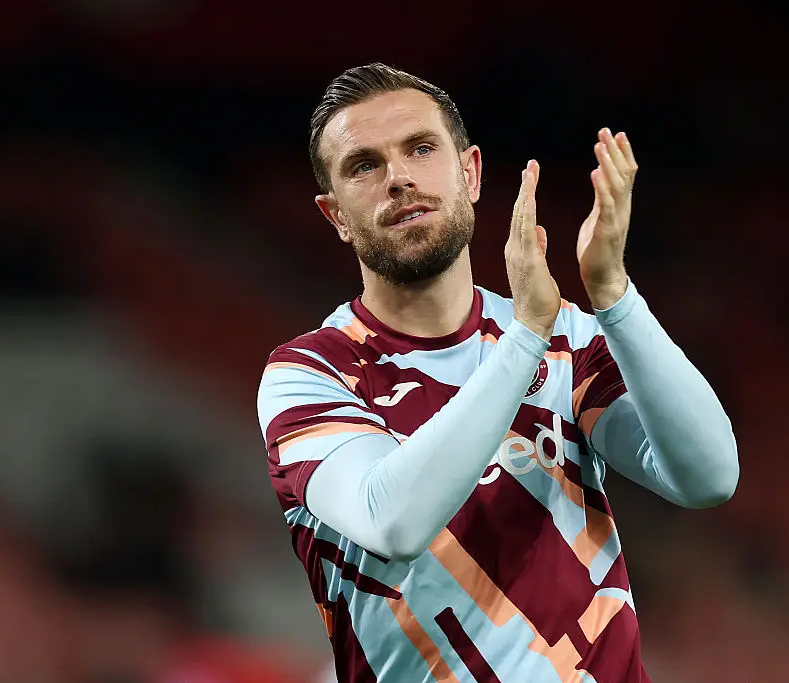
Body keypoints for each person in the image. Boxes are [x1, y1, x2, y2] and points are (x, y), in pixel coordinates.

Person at [256, 62, 739, 683]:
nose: (399, 178)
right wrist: (524, 339)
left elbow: (709, 477)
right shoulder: (310, 372)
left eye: (421, 148)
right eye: (364, 166)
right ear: (336, 216)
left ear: (471, 173)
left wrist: (613, 295)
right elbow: (392, 522)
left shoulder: (568, 337)